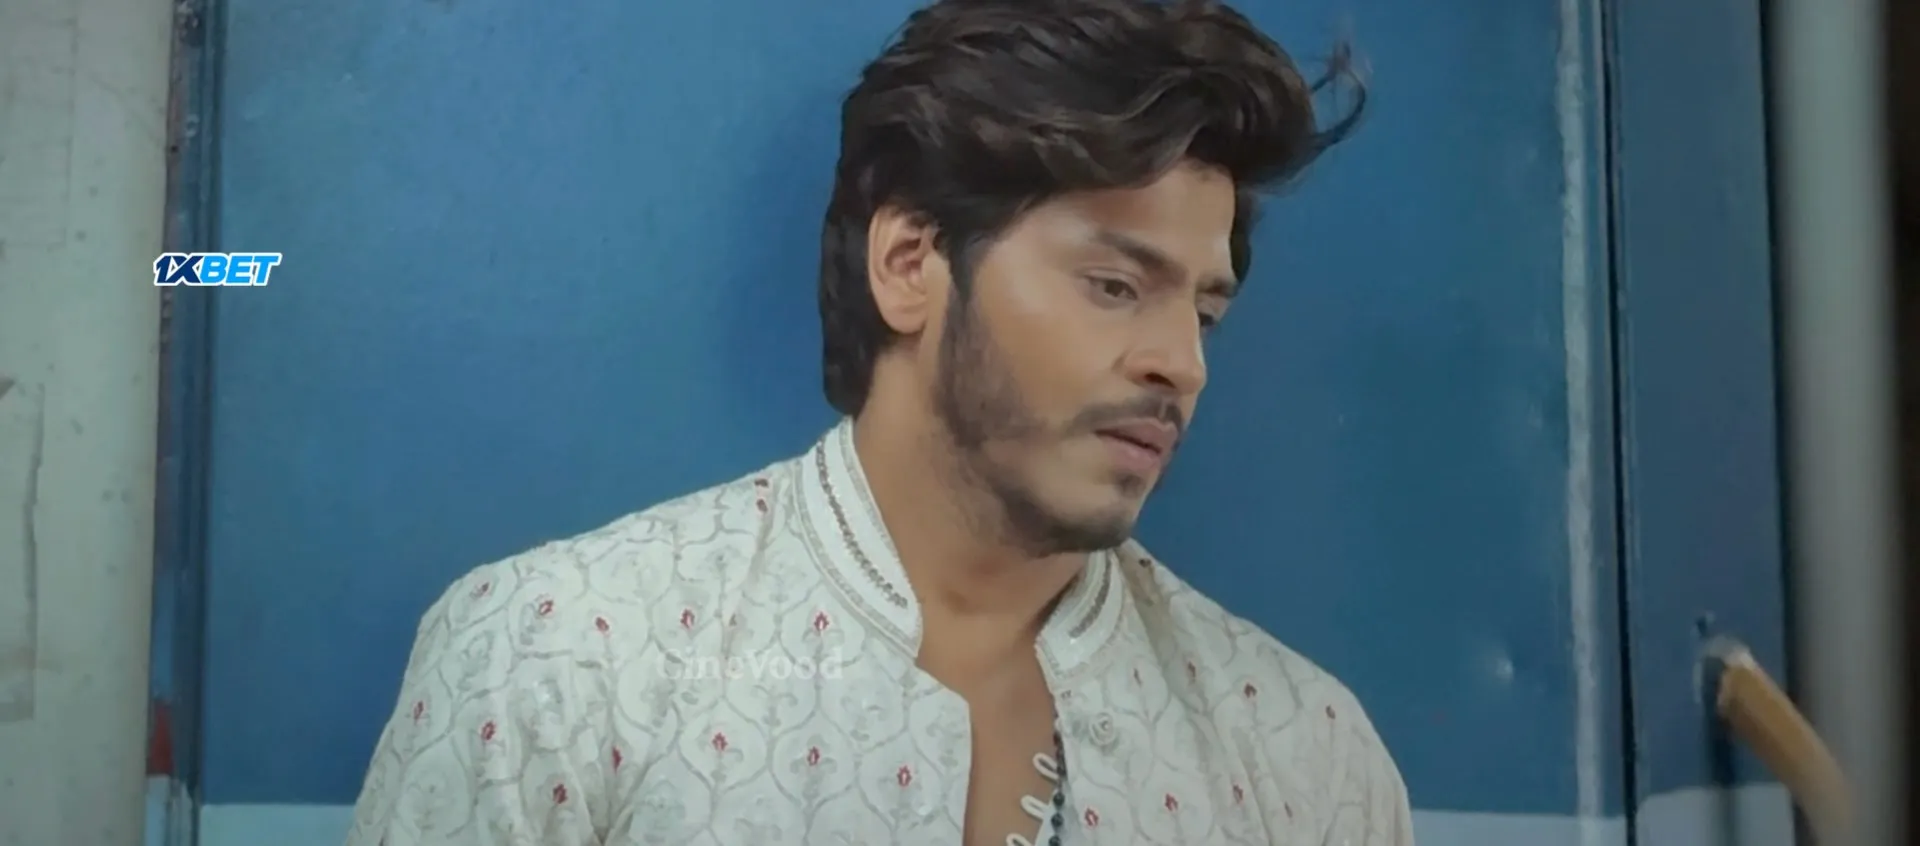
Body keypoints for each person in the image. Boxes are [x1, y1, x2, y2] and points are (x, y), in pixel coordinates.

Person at [345, 0, 1411, 843]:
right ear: (909, 265)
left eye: (1205, 313)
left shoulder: (1304, 755)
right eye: (1113, 285)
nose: (1181, 364)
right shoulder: (559, 663)